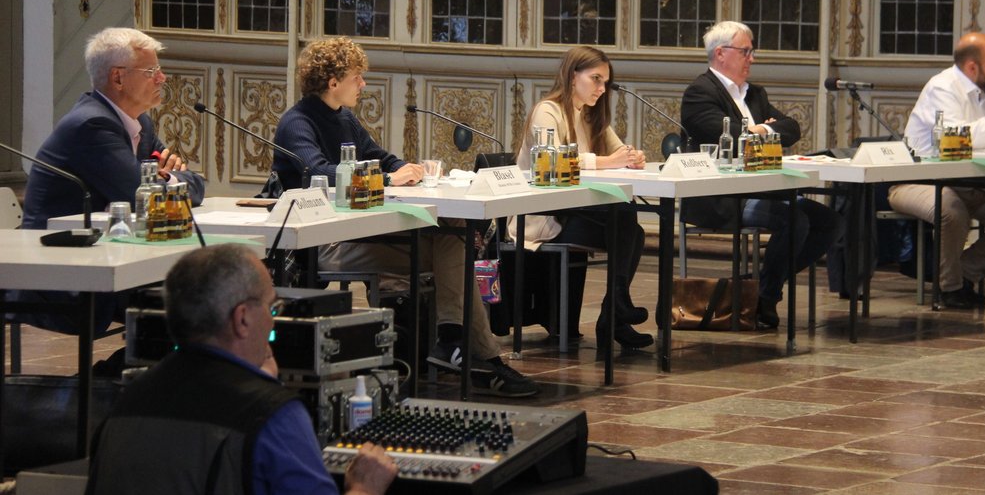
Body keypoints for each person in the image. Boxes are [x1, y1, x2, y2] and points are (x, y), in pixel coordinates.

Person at [273, 37, 537, 397]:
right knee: (455, 250)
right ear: (333, 82)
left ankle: (458, 344)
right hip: (326, 242)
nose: (363, 84)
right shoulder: (297, 122)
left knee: (454, 233)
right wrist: (387, 179)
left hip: (363, 230)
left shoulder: (344, 118)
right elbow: (319, 173)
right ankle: (474, 354)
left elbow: (379, 156)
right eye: (357, 77)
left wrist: (407, 170)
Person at [85, 243, 398, 495]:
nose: (273, 321)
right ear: (243, 318)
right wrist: (364, 488)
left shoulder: (126, 401)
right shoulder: (275, 416)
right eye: (272, 307)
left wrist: (259, 386)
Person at [16, 27, 206, 335]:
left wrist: (169, 177)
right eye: (151, 71)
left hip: (107, 250)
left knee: (192, 284)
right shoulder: (92, 125)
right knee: (187, 295)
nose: (162, 78)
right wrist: (166, 183)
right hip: (61, 268)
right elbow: (141, 195)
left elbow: (195, 184)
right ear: (118, 78)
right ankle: (142, 364)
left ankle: (146, 363)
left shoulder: (139, 122)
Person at [680, 21, 844, 329]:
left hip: (761, 188)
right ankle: (767, 295)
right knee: (795, 219)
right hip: (721, 196)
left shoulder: (755, 94)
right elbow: (728, 135)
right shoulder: (699, 93)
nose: (752, 58)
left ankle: (762, 286)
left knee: (831, 222)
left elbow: (791, 128)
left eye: (751, 52)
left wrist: (761, 130)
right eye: (745, 51)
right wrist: (761, 130)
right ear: (721, 53)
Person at [510, 46, 653, 351]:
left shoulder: (589, 113)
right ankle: (615, 315)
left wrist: (632, 156)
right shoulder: (548, 110)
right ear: (573, 76)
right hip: (544, 214)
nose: (601, 89)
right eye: (596, 79)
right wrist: (608, 161)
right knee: (626, 219)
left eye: (605, 82)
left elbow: (619, 151)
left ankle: (614, 313)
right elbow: (552, 162)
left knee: (630, 225)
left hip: (575, 209)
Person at [887, 32, 985, 309]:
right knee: (950, 209)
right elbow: (954, 139)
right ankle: (950, 288)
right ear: (972, 67)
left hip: (969, 183)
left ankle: (965, 272)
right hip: (916, 181)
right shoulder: (942, 87)